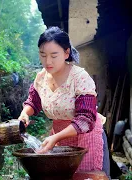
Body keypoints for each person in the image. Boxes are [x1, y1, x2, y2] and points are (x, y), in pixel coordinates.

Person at [18, 26, 110, 175]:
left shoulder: (79, 78)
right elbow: (34, 101)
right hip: (59, 138)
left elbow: (85, 119)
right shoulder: (41, 77)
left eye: (54, 55)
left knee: (87, 176)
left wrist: (56, 137)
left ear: (66, 53)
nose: (47, 61)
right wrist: (25, 113)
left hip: (86, 137)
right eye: (43, 55)